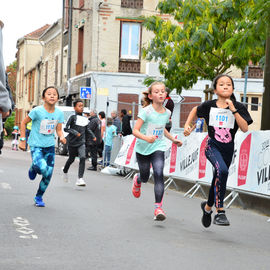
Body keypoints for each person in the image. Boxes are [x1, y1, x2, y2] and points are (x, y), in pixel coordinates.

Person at [184, 74, 253, 227]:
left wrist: (233, 109)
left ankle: (207, 207)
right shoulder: (209, 105)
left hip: (228, 148)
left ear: (233, 88)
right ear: (215, 90)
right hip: (211, 146)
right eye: (221, 84)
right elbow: (195, 110)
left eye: (229, 84)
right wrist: (187, 125)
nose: (226, 86)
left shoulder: (239, 107)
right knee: (222, 171)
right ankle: (220, 211)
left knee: (219, 176)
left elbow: (244, 128)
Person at [132, 81, 182, 221]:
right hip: (143, 147)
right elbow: (135, 130)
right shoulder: (146, 111)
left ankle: (158, 208)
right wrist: (146, 138)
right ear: (150, 95)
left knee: (159, 173)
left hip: (158, 146)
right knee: (146, 176)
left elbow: (162, 128)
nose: (160, 93)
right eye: (157, 91)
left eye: (162, 91)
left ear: (165, 94)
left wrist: (173, 139)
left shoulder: (167, 112)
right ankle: (138, 179)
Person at [19, 86, 66, 207]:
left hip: (49, 146)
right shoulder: (37, 111)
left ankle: (39, 197)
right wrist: (23, 140)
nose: (52, 96)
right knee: (43, 167)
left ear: (58, 98)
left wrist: (61, 137)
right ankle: (34, 168)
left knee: (48, 174)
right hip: (36, 145)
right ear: (43, 97)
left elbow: (59, 130)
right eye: (49, 94)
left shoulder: (59, 113)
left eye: (54, 94)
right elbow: (24, 123)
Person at [62, 100, 95, 186]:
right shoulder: (72, 117)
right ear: (75, 108)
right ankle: (65, 171)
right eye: (79, 106)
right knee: (71, 159)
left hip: (81, 142)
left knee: (83, 157)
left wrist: (93, 136)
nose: (81, 107)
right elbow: (66, 129)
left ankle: (80, 178)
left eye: (82, 106)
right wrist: (75, 132)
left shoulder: (85, 118)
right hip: (72, 142)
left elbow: (87, 129)